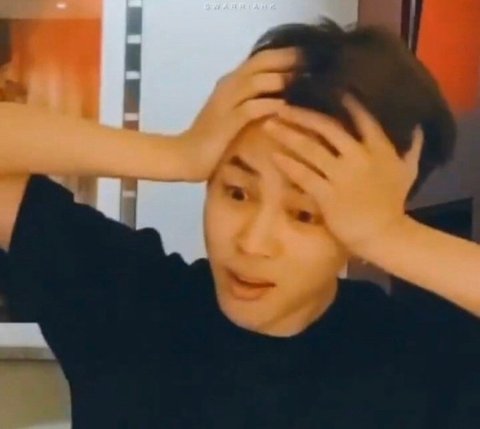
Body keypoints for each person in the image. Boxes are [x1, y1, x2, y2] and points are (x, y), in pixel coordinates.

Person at [0, 18, 478, 429]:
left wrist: (388, 234)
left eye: (305, 213)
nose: (253, 242)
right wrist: (176, 154)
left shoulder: (419, 359)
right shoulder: (129, 300)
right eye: (236, 192)